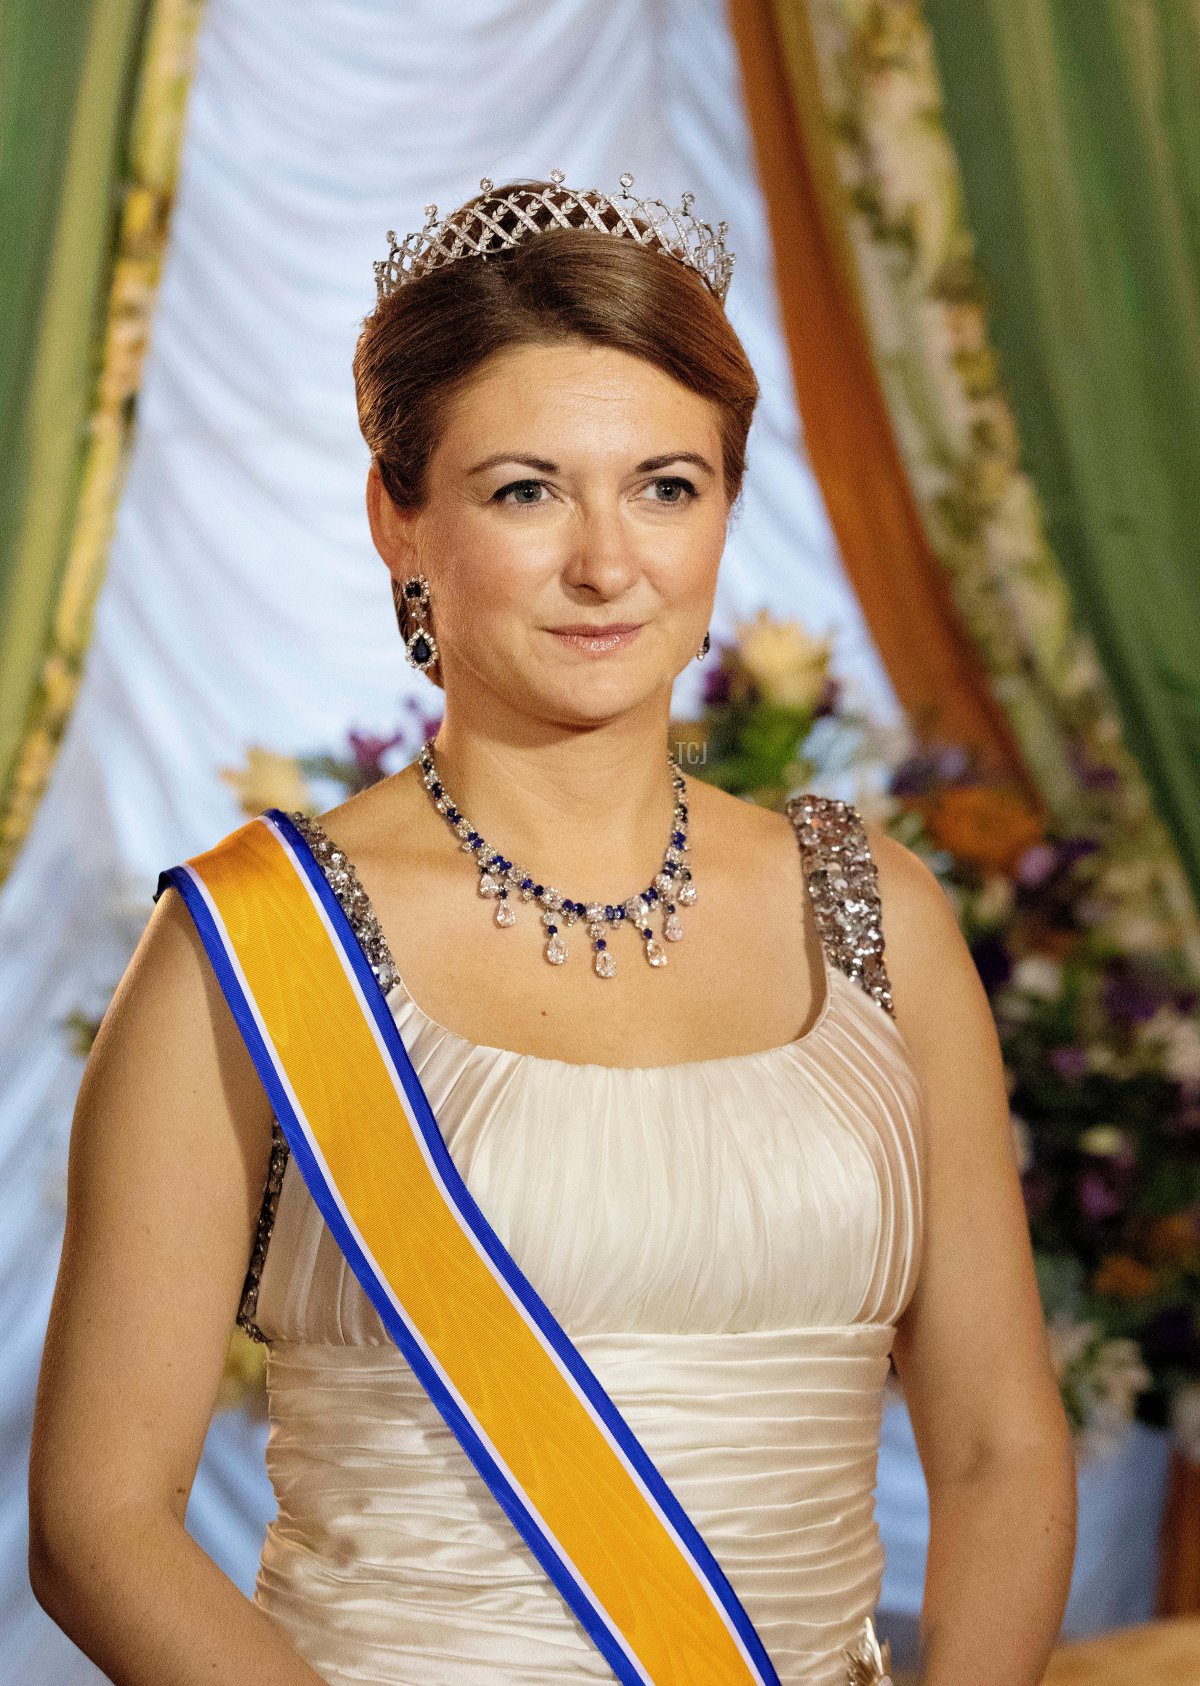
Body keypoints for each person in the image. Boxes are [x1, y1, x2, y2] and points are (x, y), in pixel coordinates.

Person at [28, 172, 1076, 1685]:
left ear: (726, 502)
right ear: (399, 518)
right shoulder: (244, 948)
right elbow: (99, 1520)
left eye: (667, 484)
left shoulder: (879, 915)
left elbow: (995, 1451)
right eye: (526, 489)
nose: (609, 562)